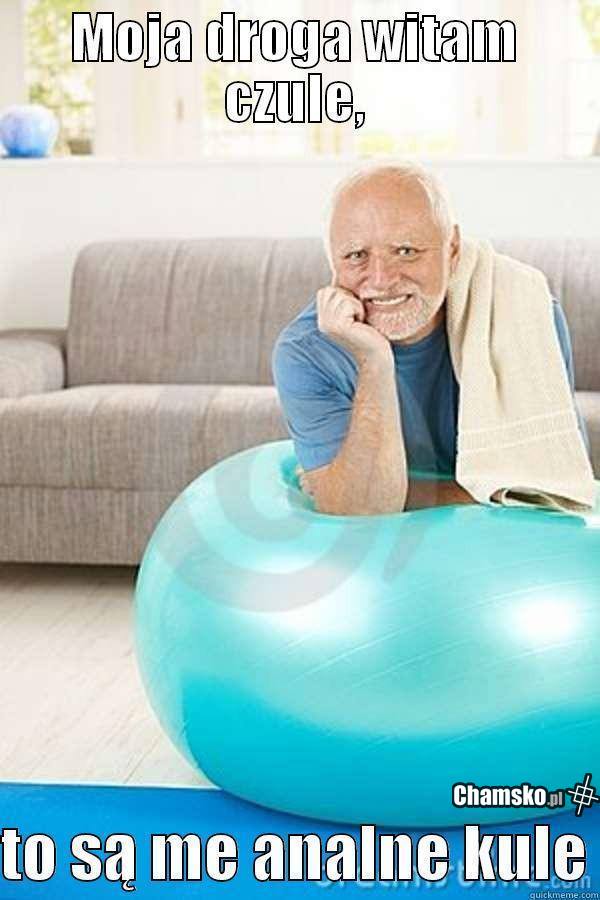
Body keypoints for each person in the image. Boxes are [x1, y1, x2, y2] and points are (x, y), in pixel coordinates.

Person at [272, 163, 589, 516]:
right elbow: (359, 511)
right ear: (333, 262)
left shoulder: (524, 313)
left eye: (406, 250)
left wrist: (397, 492)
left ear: (452, 249)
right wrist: (374, 360)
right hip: (389, 547)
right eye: (356, 256)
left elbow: (552, 485)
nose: (381, 280)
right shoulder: (305, 351)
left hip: (507, 540)